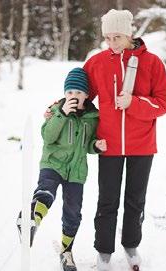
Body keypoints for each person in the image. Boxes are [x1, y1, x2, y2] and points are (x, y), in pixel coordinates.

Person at [83, 9, 166, 271]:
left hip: (142, 144)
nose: (112, 43)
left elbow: (163, 103)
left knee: (135, 200)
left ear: (130, 33)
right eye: (108, 38)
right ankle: (104, 251)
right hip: (108, 144)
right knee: (107, 200)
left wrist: (133, 103)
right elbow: (80, 94)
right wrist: (60, 107)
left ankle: (131, 246)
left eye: (117, 37)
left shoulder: (152, 63)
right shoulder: (98, 62)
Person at [17, 67, 107, 271]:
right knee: (46, 190)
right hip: (53, 163)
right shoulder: (56, 111)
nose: (73, 96)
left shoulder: (92, 118)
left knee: (73, 212)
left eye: (78, 93)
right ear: (64, 94)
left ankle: (67, 250)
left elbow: (88, 143)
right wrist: (62, 115)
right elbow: (48, 137)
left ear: (86, 95)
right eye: (69, 92)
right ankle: (31, 220)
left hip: (76, 171)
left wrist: (96, 146)